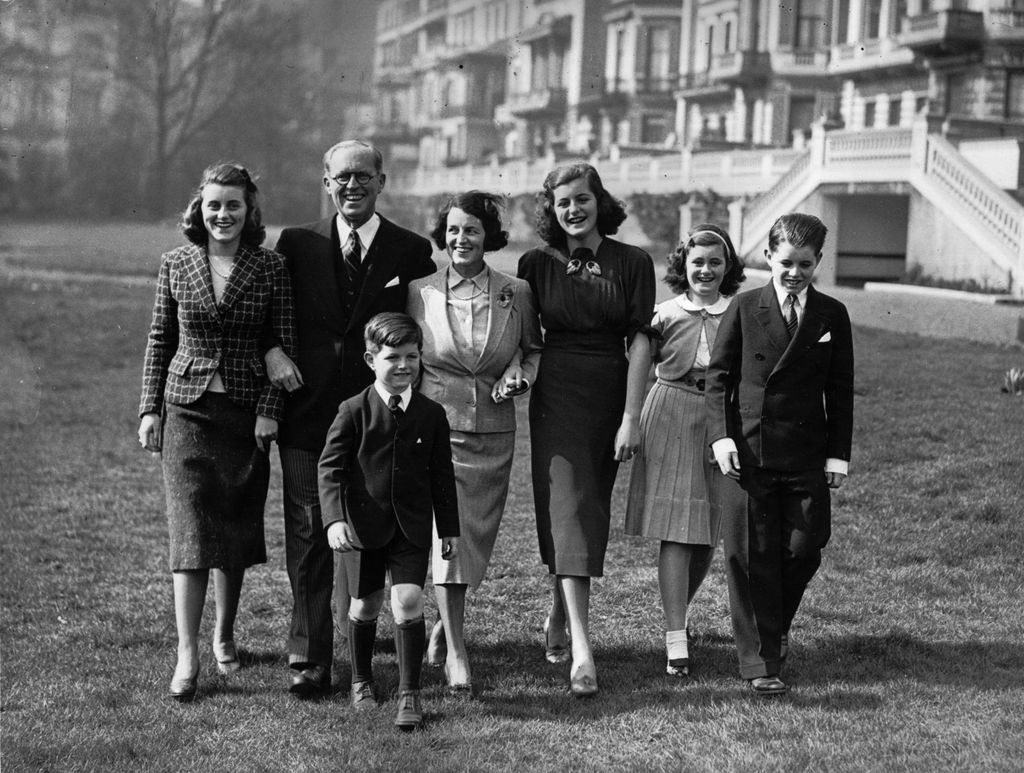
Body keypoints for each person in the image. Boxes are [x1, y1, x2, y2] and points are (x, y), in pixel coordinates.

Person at [264, 140, 435, 697]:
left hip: (379, 420)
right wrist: (271, 349)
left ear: (382, 181)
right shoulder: (296, 243)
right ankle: (310, 656)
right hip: (307, 412)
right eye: (342, 177)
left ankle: (370, 636)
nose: (352, 185)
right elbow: (270, 309)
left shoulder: (409, 250)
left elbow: (417, 331)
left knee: (381, 526)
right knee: (310, 530)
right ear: (326, 181)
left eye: (364, 175)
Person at [137, 163, 296, 701]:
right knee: (190, 532)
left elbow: (284, 341)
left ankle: (225, 636)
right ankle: (188, 654)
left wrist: (271, 409)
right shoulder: (176, 263)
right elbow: (160, 338)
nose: (223, 215)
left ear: (249, 210)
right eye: (213, 206)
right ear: (198, 211)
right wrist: (149, 409)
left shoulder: (270, 267)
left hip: (246, 416)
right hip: (186, 411)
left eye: (233, 205)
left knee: (233, 527)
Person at [517, 163, 656, 698]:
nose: (573, 210)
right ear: (550, 211)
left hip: (610, 396)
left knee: (586, 510)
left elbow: (640, 342)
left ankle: (557, 610)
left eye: (582, 198)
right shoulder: (535, 263)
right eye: (562, 203)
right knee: (568, 509)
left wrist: (630, 417)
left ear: (599, 200)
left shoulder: (633, 261)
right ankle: (581, 646)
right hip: (556, 398)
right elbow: (524, 336)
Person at [706, 212, 854, 697]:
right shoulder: (746, 308)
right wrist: (721, 437)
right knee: (750, 555)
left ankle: (771, 627)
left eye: (805, 264)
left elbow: (842, 389)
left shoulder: (832, 315)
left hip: (807, 454)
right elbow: (718, 379)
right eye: (786, 262)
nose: (795, 273)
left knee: (804, 547)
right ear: (768, 257)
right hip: (749, 452)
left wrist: (838, 457)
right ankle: (760, 662)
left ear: (818, 263)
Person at [407, 191, 543, 690]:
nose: (460, 239)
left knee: (475, 542)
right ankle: (457, 654)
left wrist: (519, 376)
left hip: (493, 431)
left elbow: (532, 351)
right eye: (453, 230)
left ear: (489, 237)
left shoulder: (516, 291)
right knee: (449, 538)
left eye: (471, 231)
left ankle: (444, 626)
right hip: (434, 431)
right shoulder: (419, 290)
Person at [318, 313, 459, 731]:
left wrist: (448, 528)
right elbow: (330, 470)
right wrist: (334, 521)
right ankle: (361, 680)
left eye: (412, 356)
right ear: (370, 358)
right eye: (393, 357)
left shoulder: (432, 414)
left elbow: (442, 475)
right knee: (366, 605)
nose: (403, 366)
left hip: (412, 528)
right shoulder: (353, 410)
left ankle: (409, 691)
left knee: (410, 601)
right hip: (363, 529)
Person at [624, 224, 745, 678]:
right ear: (683, 266)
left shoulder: (741, 312)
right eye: (698, 262)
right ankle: (676, 638)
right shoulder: (664, 313)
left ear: (728, 266)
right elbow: (637, 364)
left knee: (708, 529)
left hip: (721, 420)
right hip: (671, 412)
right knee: (677, 529)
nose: (706, 270)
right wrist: (631, 421)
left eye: (716, 262)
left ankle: (683, 614)